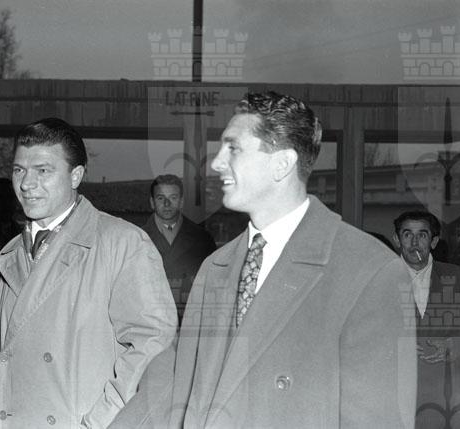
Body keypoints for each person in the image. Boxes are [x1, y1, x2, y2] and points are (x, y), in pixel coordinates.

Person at [110, 91, 416, 428]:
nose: (217, 163)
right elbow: (175, 380)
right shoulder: (215, 267)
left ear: (281, 164)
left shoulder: (370, 271)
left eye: (234, 148)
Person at [0, 117, 177, 428]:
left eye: (43, 171)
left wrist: (96, 424)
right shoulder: (8, 255)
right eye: (19, 170)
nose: (27, 184)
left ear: (76, 176)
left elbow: (152, 349)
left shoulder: (122, 243)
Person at [393, 210, 460, 428]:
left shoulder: (458, 278)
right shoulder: (376, 279)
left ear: (433, 241)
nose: (414, 242)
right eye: (407, 235)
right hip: (392, 401)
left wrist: (455, 345)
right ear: (397, 240)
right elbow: (358, 336)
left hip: (449, 401)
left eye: (422, 235)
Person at [142, 174, 216, 321]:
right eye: (161, 198)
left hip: (191, 321)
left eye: (173, 197)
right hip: (150, 322)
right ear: (152, 202)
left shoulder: (203, 240)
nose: (167, 204)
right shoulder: (136, 239)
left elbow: (213, 287)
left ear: (181, 202)